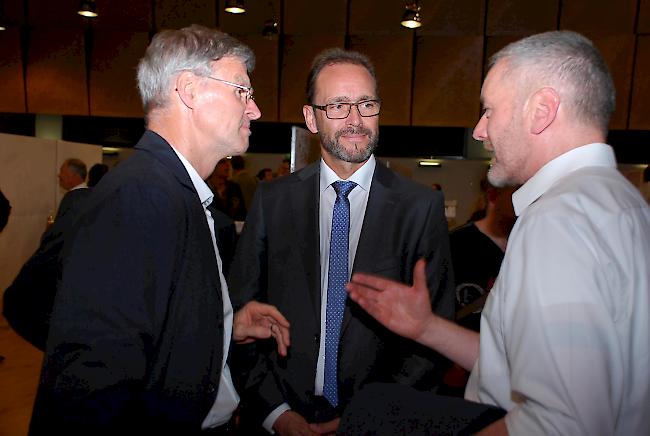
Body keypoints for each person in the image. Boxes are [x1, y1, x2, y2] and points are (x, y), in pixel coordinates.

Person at [343, 30, 650, 435]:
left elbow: (559, 423)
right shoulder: (628, 207)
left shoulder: (557, 221)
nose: (479, 130)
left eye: (489, 110)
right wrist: (427, 328)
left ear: (541, 110)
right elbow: (526, 370)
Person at [29, 24, 291, 435]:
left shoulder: (173, 191)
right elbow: (93, 379)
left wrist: (223, 326)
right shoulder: (141, 196)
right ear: (188, 89)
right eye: (243, 91)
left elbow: (151, 325)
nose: (255, 109)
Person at [228, 48, 454, 435]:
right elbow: (238, 316)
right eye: (337, 105)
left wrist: (368, 419)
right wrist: (276, 414)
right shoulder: (272, 201)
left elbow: (435, 335)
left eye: (366, 104)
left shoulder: (419, 207)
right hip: (277, 415)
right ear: (310, 118)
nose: (355, 119)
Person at [439, 179, 516, 397]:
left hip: (513, 373)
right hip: (464, 368)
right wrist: (450, 364)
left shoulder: (530, 242)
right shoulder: (457, 244)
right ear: (493, 197)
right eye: (516, 194)